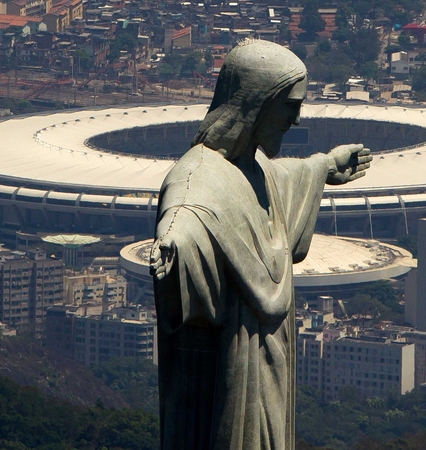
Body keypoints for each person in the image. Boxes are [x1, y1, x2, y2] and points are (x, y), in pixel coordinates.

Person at [150, 40, 371, 450]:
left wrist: (323, 167)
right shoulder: (199, 175)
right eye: (290, 105)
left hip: (269, 365)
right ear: (257, 104)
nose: (295, 118)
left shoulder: (252, 167)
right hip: (231, 370)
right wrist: (173, 247)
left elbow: (277, 181)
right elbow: (186, 212)